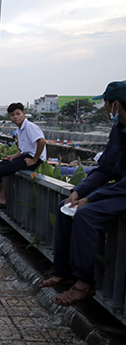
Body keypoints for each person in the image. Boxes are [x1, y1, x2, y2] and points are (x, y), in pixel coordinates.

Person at [40, 80, 126, 306]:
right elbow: (105, 168)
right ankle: (64, 271)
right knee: (65, 207)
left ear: (116, 105)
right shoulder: (118, 130)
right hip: (118, 187)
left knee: (87, 215)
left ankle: (84, 282)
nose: (105, 109)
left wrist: (92, 198)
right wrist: (79, 191)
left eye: (106, 104)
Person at [0, 102, 46, 213]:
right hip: (25, 156)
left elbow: (42, 142)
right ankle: (1, 198)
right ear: (9, 117)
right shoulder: (19, 129)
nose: (15, 117)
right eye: (12, 115)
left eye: (18, 114)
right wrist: (12, 157)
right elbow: (24, 149)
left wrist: (34, 160)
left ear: (24, 113)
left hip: (32, 159)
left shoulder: (29, 126)